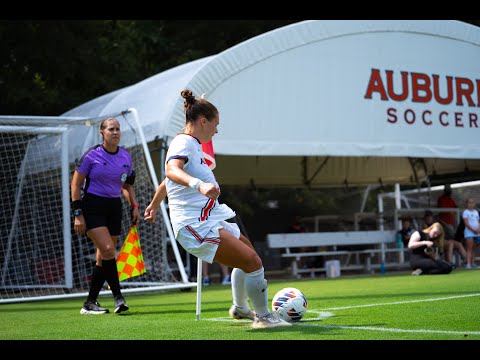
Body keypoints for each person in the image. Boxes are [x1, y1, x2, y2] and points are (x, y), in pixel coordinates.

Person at [144, 89, 290, 329]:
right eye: (216, 124)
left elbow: (167, 180)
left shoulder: (193, 145)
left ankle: (241, 307)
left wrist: (155, 202)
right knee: (253, 262)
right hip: (194, 225)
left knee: (249, 253)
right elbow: (172, 171)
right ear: (203, 121)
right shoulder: (183, 142)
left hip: (208, 220)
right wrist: (199, 185)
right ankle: (264, 318)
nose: (217, 130)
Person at [71, 117, 141, 315]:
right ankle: (118, 298)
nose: (115, 132)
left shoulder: (126, 157)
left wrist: (134, 206)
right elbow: (75, 185)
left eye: (118, 129)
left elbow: (127, 186)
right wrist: (78, 214)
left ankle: (89, 303)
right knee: (109, 250)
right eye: (111, 129)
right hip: (92, 206)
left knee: (103, 257)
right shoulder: (91, 156)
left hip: (114, 207)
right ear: (102, 133)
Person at [462, 198, 479, 269]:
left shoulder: (476, 212)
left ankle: (473, 262)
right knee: (469, 248)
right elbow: (466, 223)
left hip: (476, 233)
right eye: (469, 203)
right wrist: (473, 230)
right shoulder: (465, 212)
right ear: (467, 204)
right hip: (469, 233)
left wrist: (478, 229)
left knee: (474, 248)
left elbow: (478, 222)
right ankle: (468, 264)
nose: (471, 204)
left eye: (472, 203)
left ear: (474, 204)